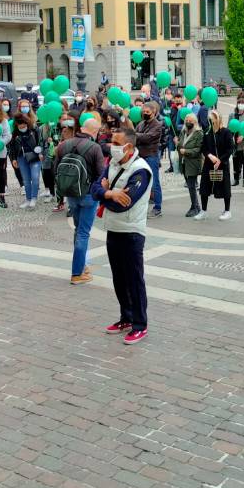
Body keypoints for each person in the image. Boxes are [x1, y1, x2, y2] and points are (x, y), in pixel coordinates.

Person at [92, 127, 152, 345]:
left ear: (129, 146)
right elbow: (94, 188)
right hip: (113, 229)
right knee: (119, 278)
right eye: (111, 142)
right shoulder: (113, 164)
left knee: (134, 280)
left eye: (116, 143)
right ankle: (125, 318)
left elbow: (124, 204)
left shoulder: (141, 170)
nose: (111, 146)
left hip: (131, 232)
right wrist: (108, 193)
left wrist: (105, 195)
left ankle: (139, 324)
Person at [56, 117, 106, 284]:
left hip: (71, 193)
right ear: (94, 131)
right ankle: (77, 273)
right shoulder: (95, 147)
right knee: (84, 233)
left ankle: (82, 266)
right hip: (88, 195)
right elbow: (101, 174)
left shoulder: (64, 145)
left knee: (78, 231)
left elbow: (56, 169)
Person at [195, 110, 233, 221]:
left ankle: (227, 210)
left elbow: (230, 148)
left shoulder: (226, 132)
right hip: (209, 163)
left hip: (222, 164)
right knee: (204, 187)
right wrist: (209, 155)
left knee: (225, 187)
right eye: (209, 119)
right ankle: (204, 211)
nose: (210, 121)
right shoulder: (207, 132)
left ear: (218, 119)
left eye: (212, 119)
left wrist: (220, 160)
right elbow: (203, 148)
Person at [134, 101, 164, 217]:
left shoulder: (157, 125)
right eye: (143, 111)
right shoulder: (141, 123)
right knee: (140, 182)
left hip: (151, 156)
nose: (145, 113)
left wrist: (135, 135)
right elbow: (136, 136)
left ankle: (157, 208)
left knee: (154, 183)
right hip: (140, 156)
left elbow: (148, 137)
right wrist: (136, 135)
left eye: (147, 112)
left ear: (154, 112)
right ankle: (141, 205)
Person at [10, 113, 43, 209]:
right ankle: (28, 199)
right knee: (26, 180)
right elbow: (12, 147)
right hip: (21, 157)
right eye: (20, 126)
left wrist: (41, 153)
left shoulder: (34, 130)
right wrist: (13, 159)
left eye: (24, 125)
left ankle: (34, 198)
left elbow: (40, 141)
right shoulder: (15, 133)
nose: (22, 127)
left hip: (35, 156)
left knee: (35, 177)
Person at [177, 113, 203, 217]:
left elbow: (198, 149)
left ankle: (194, 206)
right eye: (187, 120)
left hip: (193, 163)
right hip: (184, 162)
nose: (188, 122)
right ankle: (196, 206)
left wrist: (186, 151)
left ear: (195, 122)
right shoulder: (183, 132)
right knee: (189, 185)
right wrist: (178, 144)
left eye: (190, 121)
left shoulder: (198, 133)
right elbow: (180, 145)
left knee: (191, 186)